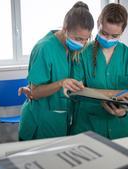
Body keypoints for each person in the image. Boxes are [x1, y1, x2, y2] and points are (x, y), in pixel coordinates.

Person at [18, 1, 94, 140]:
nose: (82, 43)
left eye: (85, 39)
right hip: (41, 121)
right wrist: (61, 83)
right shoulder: (45, 48)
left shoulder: (73, 49)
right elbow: (34, 92)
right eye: (78, 38)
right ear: (65, 28)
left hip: (61, 120)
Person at [71, 3, 128, 139]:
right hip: (88, 127)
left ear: (122, 32)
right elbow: (75, 90)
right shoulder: (82, 54)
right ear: (98, 24)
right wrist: (105, 97)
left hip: (121, 129)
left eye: (114, 36)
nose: (108, 39)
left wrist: (124, 110)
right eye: (104, 33)